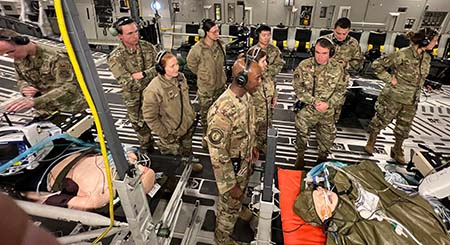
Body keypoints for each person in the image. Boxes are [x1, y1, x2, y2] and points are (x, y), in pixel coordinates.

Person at [206, 56, 262, 244]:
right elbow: (218, 154)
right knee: (228, 205)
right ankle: (222, 238)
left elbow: (248, 125)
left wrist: (252, 145)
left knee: (238, 197)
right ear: (242, 80)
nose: (260, 82)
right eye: (258, 78)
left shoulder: (245, 96)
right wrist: (231, 185)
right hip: (231, 170)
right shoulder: (222, 112)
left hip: (243, 161)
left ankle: (237, 208)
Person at [364, 28, 439, 164]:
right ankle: (371, 142)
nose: (436, 43)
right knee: (380, 120)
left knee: (404, 126)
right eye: (434, 40)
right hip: (394, 97)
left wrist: (424, 84)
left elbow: (418, 76)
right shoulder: (403, 54)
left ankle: (397, 149)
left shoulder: (426, 57)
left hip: (411, 100)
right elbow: (377, 65)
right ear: (425, 41)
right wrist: (389, 79)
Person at [21, 150, 155, 211]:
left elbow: (52, 200)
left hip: (44, 172)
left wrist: (23, 194)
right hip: (59, 154)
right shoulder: (125, 161)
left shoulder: (102, 194)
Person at [0, 28, 87, 120]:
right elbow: (21, 79)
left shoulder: (56, 57)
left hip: (68, 109)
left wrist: (35, 102)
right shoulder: (20, 57)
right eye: (5, 54)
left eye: (10, 52)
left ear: (22, 42)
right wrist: (25, 88)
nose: (10, 56)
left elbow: (69, 88)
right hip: (43, 111)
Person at [142, 51, 203, 172]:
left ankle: (188, 163)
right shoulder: (154, 90)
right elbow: (150, 117)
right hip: (170, 133)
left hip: (186, 126)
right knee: (170, 162)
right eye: (172, 66)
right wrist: (164, 132)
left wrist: (190, 115)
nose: (177, 68)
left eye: (177, 64)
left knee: (187, 148)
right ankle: (170, 180)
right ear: (161, 68)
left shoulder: (180, 78)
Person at [292, 37, 348, 170]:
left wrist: (328, 104)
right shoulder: (304, 66)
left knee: (327, 139)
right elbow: (298, 87)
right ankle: (300, 156)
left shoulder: (338, 68)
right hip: (309, 108)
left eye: (324, 53)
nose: (320, 57)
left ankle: (321, 160)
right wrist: (313, 101)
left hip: (327, 111)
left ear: (331, 53)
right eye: (317, 52)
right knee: (301, 133)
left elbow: (341, 91)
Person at [107, 17, 157, 154]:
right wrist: (149, 74)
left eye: (136, 31)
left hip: (154, 95)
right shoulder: (115, 57)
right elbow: (128, 83)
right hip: (134, 99)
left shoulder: (148, 47)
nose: (135, 35)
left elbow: (159, 70)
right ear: (119, 36)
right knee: (141, 128)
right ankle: (148, 151)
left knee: (162, 121)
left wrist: (141, 74)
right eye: (130, 33)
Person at [186, 19, 227, 149]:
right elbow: (191, 64)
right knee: (206, 117)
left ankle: (218, 137)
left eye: (218, 30)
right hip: (206, 89)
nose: (217, 33)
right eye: (214, 31)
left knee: (220, 115)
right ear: (205, 33)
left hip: (220, 87)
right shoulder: (197, 49)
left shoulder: (221, 45)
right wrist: (203, 74)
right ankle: (206, 138)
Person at [322, 17, 364, 122]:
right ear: (333, 29)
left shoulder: (353, 44)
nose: (341, 36)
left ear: (348, 31)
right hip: (322, 80)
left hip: (340, 82)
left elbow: (359, 64)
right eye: (338, 33)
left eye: (344, 34)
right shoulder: (324, 40)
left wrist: (346, 64)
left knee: (335, 108)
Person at [246, 47, 274, 153]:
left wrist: (274, 95)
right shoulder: (247, 83)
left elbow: (272, 84)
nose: (266, 64)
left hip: (266, 119)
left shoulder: (266, 74)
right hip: (253, 126)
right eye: (263, 61)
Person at [251, 24, 285, 106]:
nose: (267, 37)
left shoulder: (275, 50)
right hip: (256, 90)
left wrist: (266, 70)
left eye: (269, 35)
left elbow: (279, 65)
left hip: (270, 86)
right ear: (258, 36)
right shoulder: (252, 51)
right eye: (264, 35)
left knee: (269, 113)